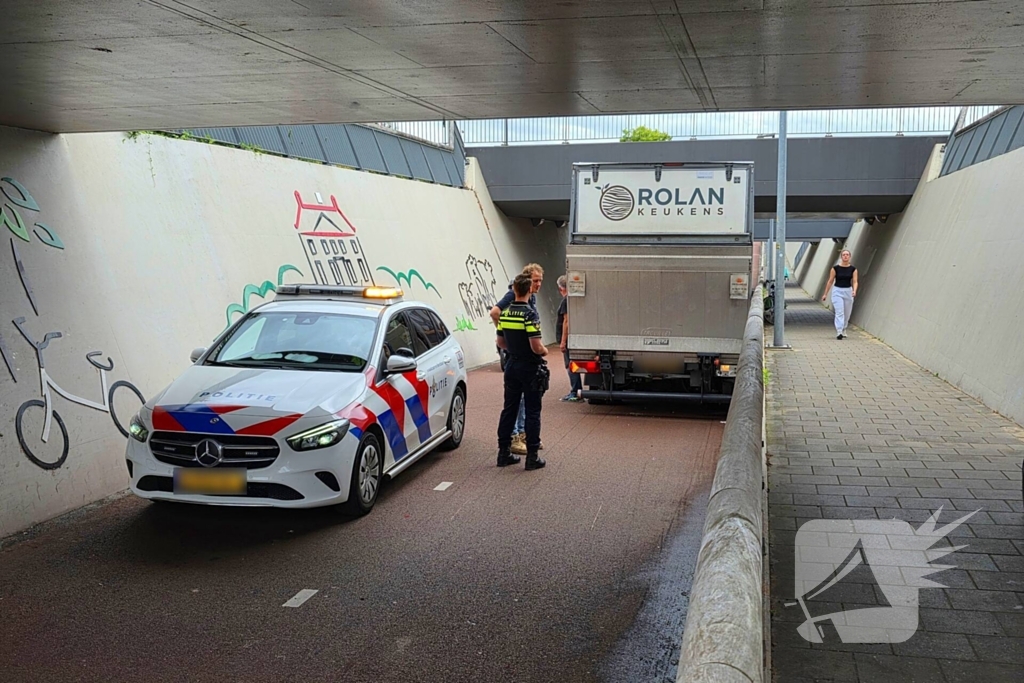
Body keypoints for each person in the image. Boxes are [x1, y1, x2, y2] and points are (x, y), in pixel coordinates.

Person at [495, 274, 548, 470]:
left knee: (509, 409)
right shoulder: (530, 314)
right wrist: (544, 350)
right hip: (529, 367)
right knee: (533, 411)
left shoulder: (506, 313)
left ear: (514, 290)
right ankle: (532, 457)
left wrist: (514, 348)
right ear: (529, 290)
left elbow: (501, 342)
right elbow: (536, 346)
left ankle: (503, 453)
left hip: (511, 365)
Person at [822, 249, 859, 339]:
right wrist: (825, 294)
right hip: (837, 291)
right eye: (844, 255)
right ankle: (839, 331)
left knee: (847, 312)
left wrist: (854, 290)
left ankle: (844, 328)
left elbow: (855, 281)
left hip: (848, 291)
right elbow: (830, 281)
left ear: (850, 257)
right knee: (839, 311)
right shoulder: (835, 268)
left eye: (847, 255)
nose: (845, 256)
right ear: (841, 257)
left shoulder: (853, 269)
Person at [556, 275, 582, 402]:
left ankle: (575, 391)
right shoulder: (573, 300)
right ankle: (577, 390)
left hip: (568, 340)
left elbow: (566, 321)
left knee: (570, 365)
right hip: (573, 338)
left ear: (561, 288)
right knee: (573, 364)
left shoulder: (565, 301)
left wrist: (563, 341)